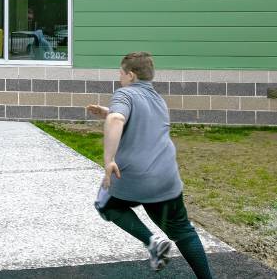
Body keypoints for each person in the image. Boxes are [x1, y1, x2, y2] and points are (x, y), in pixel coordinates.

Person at [86, 52, 214, 278]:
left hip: (136, 177)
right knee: (183, 231)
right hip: (167, 178)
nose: (119, 77)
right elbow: (132, 118)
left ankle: (153, 242)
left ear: (131, 75)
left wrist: (109, 160)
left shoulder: (123, 93)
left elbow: (118, 120)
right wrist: (108, 113)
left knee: (106, 204)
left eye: (121, 73)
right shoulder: (158, 100)